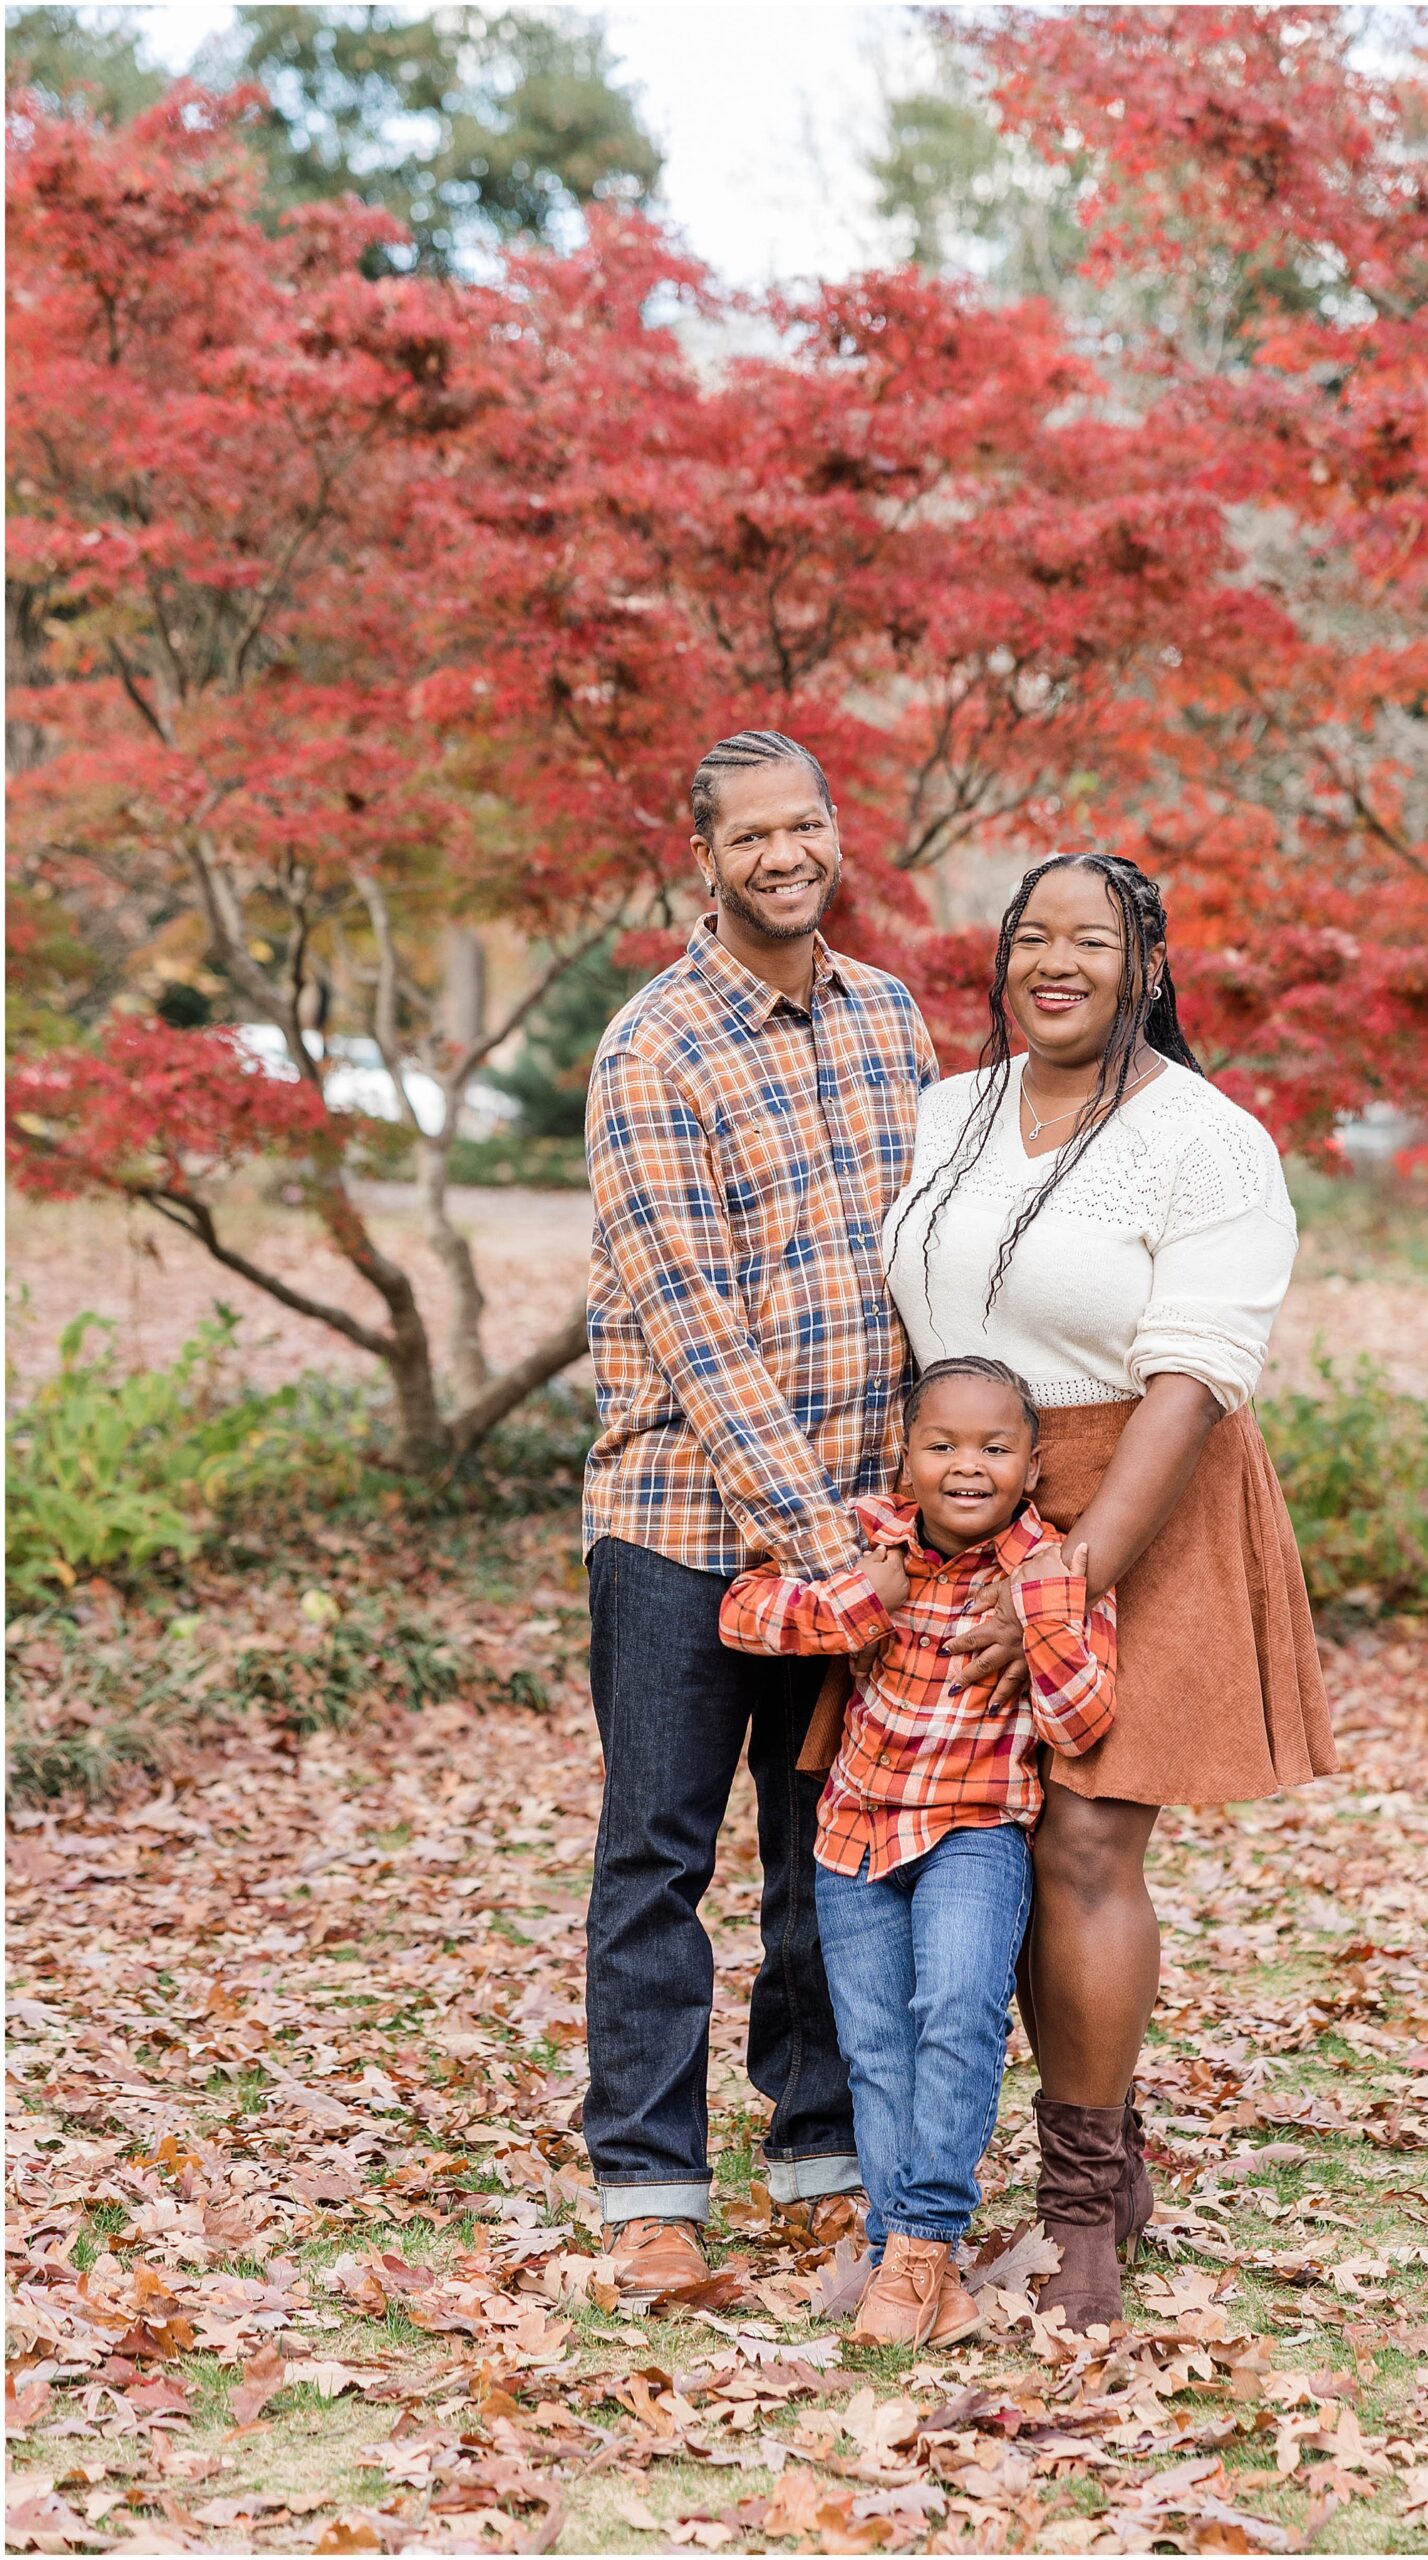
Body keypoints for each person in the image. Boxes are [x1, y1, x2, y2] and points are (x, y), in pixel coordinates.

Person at [883, 852, 1337, 2331]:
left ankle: (1079, 2214)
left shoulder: (1207, 1140)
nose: (1055, 962)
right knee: (979, 1843)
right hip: (962, 1502)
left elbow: (1198, 1370)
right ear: (999, 959)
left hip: (1139, 1490)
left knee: (1083, 1843)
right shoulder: (947, 1112)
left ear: (1149, 967)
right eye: (1030, 937)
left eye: (1093, 940)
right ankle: (1112, 2145)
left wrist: (1071, 1579)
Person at [580, 727, 938, 2290]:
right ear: (703, 857)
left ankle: (818, 2141)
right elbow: (691, 1321)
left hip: (857, 1522)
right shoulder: (650, 1047)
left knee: (823, 1849)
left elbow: (933, 1261)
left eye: (807, 826)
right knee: (658, 1855)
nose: (786, 856)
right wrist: (825, 1538)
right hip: (679, 1522)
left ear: (833, 833)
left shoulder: (891, 1020)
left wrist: (916, 1512)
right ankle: (650, 2187)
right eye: (752, 836)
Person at [719, 1356, 1117, 2350]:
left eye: (993, 1447)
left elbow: (1084, 1719)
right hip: (855, 1836)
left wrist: (1036, 1619)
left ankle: (919, 2247)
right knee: (875, 2045)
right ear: (905, 1459)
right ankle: (915, 2267)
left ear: (1032, 1465)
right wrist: (861, 1603)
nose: (965, 1466)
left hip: (976, 1831)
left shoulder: (1053, 1568)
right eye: (940, 1445)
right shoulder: (870, 1541)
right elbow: (741, 1610)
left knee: (958, 2009)